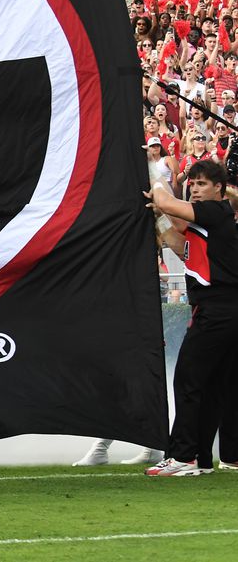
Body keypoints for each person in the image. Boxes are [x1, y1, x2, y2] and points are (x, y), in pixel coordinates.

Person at [145, 161, 238, 476]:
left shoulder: (215, 212)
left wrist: (154, 176)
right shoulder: (210, 222)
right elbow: (177, 243)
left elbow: (168, 202)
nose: (196, 189)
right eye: (193, 184)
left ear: (218, 189)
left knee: (187, 380)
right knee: (213, 386)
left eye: (202, 184)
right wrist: (158, 216)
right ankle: (204, 458)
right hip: (225, 312)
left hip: (216, 311)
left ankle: (183, 455)